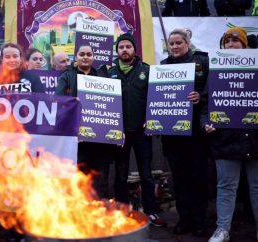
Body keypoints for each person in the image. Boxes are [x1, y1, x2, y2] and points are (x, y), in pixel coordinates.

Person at [101, 33, 166, 227]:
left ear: (134, 49)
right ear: (117, 51)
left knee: (146, 174)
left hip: (142, 133)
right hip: (119, 133)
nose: (125, 50)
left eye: (128, 46)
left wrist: (152, 120)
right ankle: (122, 210)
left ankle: (151, 211)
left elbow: (156, 98)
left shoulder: (146, 70)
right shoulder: (107, 71)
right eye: (121, 47)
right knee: (120, 175)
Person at [205, 27, 258, 242]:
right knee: (226, 186)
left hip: (254, 139)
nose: (231, 46)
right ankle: (223, 229)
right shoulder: (215, 72)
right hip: (225, 139)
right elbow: (206, 105)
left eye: (235, 42)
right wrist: (206, 123)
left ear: (245, 45)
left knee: (257, 187)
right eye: (227, 42)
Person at [160, 29, 209, 236]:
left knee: (198, 178)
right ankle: (184, 219)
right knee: (178, 179)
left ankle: (199, 221)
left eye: (178, 43)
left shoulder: (202, 62)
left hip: (196, 134)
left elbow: (214, 90)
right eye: (171, 44)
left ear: (187, 43)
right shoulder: (163, 67)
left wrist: (201, 97)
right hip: (173, 135)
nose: (175, 47)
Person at [55, 45, 116, 199]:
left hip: (100, 141)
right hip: (77, 140)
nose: (85, 57)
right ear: (76, 57)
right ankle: (80, 215)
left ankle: (100, 214)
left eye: (89, 54)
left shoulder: (103, 77)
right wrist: (71, 102)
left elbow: (112, 103)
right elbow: (57, 100)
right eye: (81, 54)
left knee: (100, 181)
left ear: (93, 57)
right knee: (79, 180)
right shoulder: (66, 76)